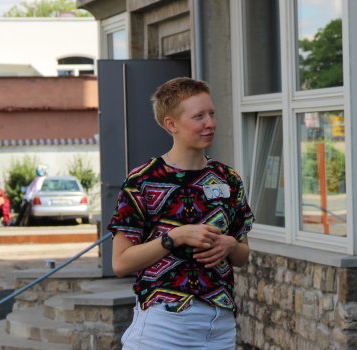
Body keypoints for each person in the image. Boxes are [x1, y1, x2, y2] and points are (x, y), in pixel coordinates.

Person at [107, 77, 254, 350]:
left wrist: (231, 245)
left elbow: (243, 256)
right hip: (163, 327)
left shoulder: (228, 178)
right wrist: (173, 237)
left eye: (211, 113)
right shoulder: (143, 180)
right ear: (171, 124)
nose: (210, 123)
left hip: (219, 327)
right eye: (199, 116)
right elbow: (121, 263)